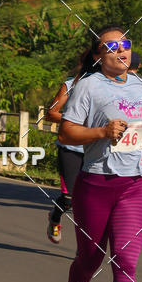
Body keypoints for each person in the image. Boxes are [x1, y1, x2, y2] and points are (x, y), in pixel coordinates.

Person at [56, 25, 142, 282]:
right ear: (99, 54)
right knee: (90, 258)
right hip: (96, 184)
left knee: (126, 263)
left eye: (126, 44)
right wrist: (101, 131)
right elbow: (67, 131)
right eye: (112, 46)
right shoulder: (87, 86)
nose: (121, 50)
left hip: (134, 185)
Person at [45, 50, 97, 244]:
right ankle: (55, 217)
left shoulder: (109, 87)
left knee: (90, 202)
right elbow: (51, 113)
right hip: (71, 149)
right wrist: (76, 122)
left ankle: (83, 247)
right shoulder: (70, 85)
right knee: (69, 199)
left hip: (95, 149)